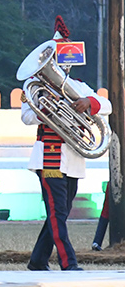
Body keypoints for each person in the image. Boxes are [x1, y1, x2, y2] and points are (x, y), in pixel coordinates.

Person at [22, 16, 110, 271]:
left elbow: (107, 105)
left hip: (73, 157)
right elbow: (26, 117)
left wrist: (88, 104)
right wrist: (45, 110)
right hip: (48, 156)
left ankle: (38, 261)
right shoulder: (34, 87)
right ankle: (68, 262)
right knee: (57, 212)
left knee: (58, 213)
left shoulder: (79, 86)